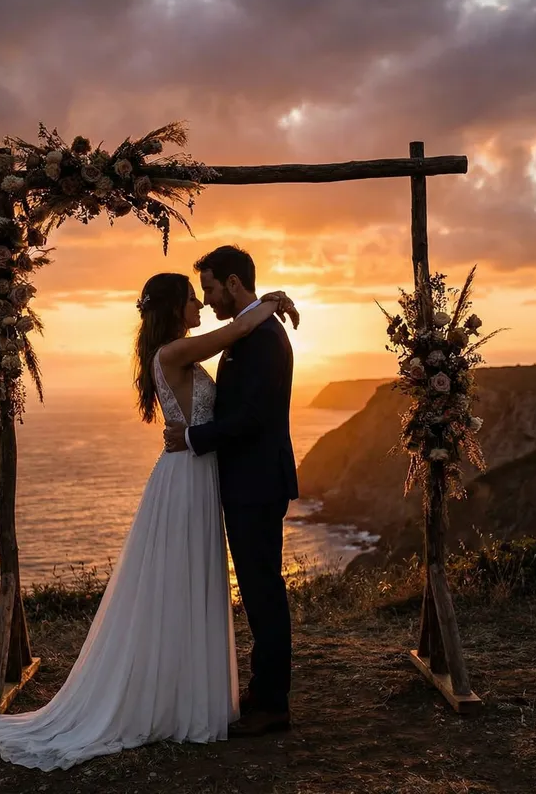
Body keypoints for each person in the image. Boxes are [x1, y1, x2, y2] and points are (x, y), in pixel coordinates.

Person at [0, 270, 298, 770]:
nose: (200, 305)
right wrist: (270, 302)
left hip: (198, 475)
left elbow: (233, 346)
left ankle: (188, 690)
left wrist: (263, 303)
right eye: (192, 300)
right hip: (184, 479)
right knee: (179, 582)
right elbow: (236, 332)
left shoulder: (174, 350)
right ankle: (175, 695)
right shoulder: (172, 353)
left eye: (205, 296)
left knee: (191, 582)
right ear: (175, 307)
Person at [164, 245, 299, 737]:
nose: (209, 299)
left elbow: (254, 417)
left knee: (264, 593)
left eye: (211, 288)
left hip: (258, 484)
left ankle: (272, 704)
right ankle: (265, 693)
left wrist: (194, 438)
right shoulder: (249, 332)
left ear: (235, 283)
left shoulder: (263, 337)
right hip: (248, 482)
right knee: (261, 591)